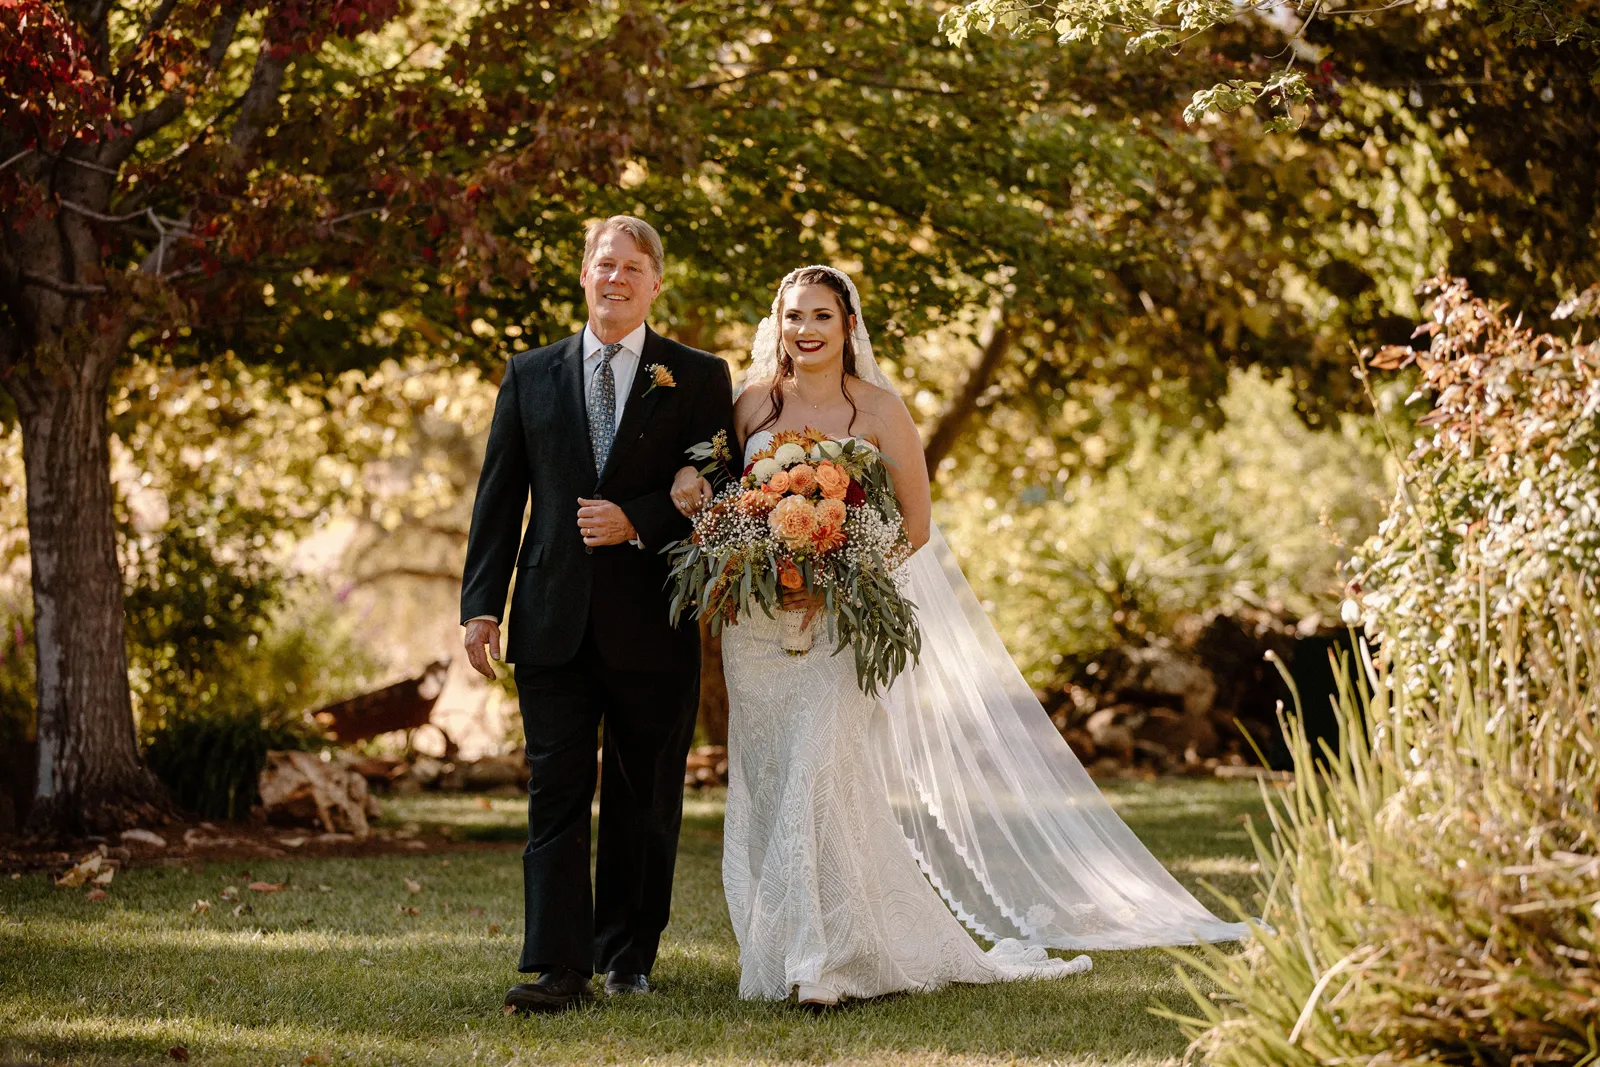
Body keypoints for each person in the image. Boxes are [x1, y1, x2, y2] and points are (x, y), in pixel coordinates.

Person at [669, 266, 1253, 1007]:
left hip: (840, 622)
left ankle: (821, 962)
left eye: (821, 315)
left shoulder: (881, 410)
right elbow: (711, 493)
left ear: (848, 325)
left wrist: (836, 574)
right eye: (793, 317)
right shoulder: (751, 404)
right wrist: (700, 503)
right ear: (776, 326)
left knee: (819, 768)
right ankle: (791, 947)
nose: (806, 330)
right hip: (754, 630)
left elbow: (915, 526)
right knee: (777, 782)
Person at [461, 215, 737, 1013]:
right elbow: (499, 494)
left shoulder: (697, 375)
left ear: (655, 284)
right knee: (554, 792)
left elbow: (721, 484)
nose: (615, 278)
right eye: (603, 264)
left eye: (632, 268)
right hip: (550, 618)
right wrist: (481, 605)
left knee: (643, 797)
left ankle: (628, 951)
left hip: (656, 619)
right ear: (584, 275)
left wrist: (639, 517)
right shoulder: (530, 373)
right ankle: (557, 964)